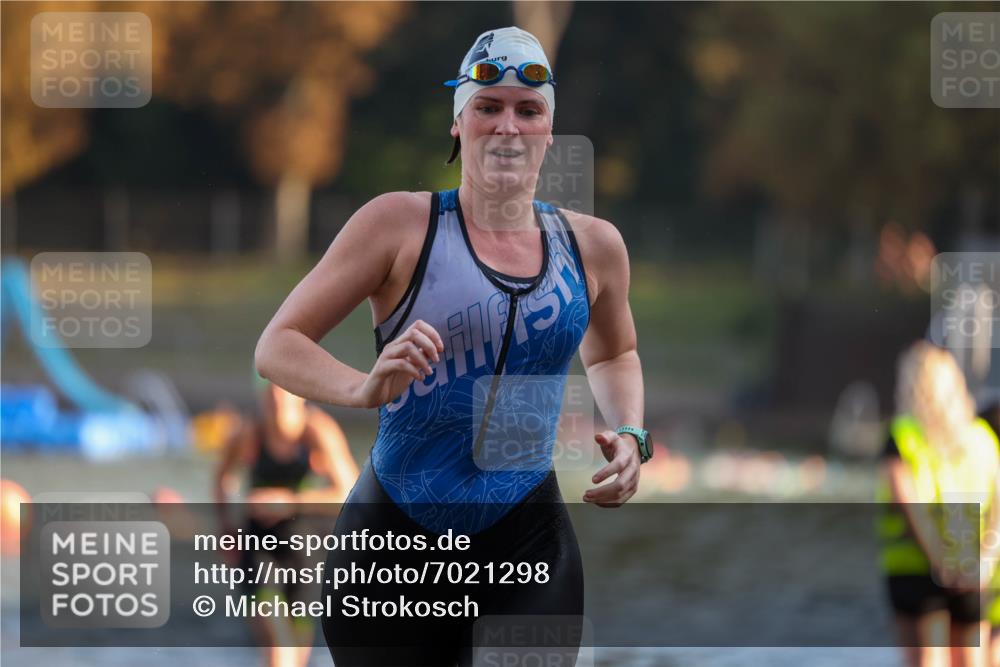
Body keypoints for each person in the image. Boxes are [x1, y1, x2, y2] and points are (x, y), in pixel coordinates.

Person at [255, 25, 651, 666]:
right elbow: (277, 345)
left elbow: (613, 353)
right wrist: (362, 387)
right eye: (488, 107)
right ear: (458, 123)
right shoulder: (398, 225)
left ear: (550, 131)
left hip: (527, 543)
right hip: (392, 545)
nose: (508, 127)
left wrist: (631, 432)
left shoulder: (594, 246)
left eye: (528, 111)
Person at [214, 370, 360, 667]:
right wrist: (226, 528)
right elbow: (221, 479)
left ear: (300, 395)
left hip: (307, 551)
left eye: (284, 392)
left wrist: (289, 501)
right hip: (259, 548)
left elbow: (349, 492)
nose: (277, 399)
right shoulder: (248, 431)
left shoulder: (317, 431)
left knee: (295, 654)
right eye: (270, 393)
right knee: (278, 647)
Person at [876, 342, 1000, 667]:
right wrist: (986, 560)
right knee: (974, 659)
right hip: (971, 564)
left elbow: (910, 504)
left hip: (916, 564)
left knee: (928, 659)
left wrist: (940, 561)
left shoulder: (904, 435)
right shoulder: (982, 436)